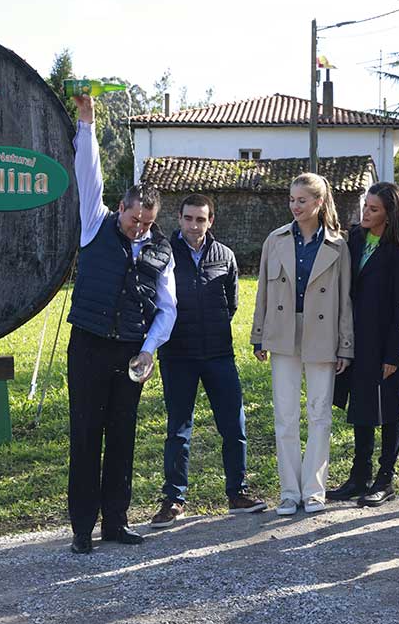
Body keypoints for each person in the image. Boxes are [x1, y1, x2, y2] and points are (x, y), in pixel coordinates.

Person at [65, 94, 177, 553]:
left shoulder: (160, 247)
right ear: (121, 208)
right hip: (88, 345)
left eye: (147, 223)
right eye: (134, 220)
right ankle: (81, 530)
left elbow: (168, 307)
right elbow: (87, 174)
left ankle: (116, 522)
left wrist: (149, 348)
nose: (139, 229)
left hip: (132, 351)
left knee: (124, 438)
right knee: (86, 435)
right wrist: (87, 122)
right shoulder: (95, 223)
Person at [150, 194, 265, 527]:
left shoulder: (225, 256)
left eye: (201, 219)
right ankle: (173, 499)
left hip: (218, 354)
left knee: (234, 426)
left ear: (210, 221)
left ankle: (238, 493)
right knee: (179, 431)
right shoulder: (164, 254)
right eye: (188, 218)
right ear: (179, 218)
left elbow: (231, 305)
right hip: (178, 355)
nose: (194, 225)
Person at [252, 172, 353, 516]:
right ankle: (289, 491)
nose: (295, 206)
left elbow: (345, 300)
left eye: (302, 200)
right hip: (281, 333)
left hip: (322, 335)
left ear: (319, 202)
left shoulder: (339, 245)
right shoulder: (275, 240)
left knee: (319, 414)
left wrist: (345, 345)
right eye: (292, 199)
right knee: (285, 416)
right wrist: (258, 335)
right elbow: (262, 294)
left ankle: (314, 490)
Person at [327, 182, 399, 507]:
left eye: (373, 209)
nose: (365, 213)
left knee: (389, 411)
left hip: (386, 343)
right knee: (361, 407)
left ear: (389, 214)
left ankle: (385, 479)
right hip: (356, 339)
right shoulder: (355, 239)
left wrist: (396, 352)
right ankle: (359, 476)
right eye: (365, 206)